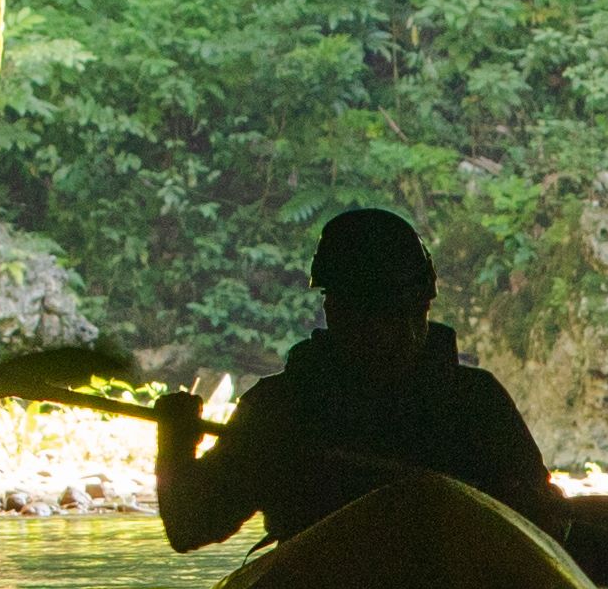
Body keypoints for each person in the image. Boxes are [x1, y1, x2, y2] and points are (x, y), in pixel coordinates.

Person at [157, 207, 570, 549]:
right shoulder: (283, 408)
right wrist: (175, 443)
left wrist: (528, 502)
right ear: (336, 311)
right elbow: (191, 527)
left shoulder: (476, 402)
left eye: (410, 309)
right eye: (379, 312)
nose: (400, 331)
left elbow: (548, 524)